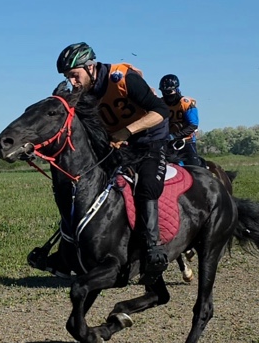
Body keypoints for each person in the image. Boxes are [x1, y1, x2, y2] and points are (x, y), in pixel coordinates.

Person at [56, 43, 172, 283]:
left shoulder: (122, 78)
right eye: (68, 78)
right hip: (119, 143)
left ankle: (153, 249)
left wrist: (127, 132)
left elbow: (161, 111)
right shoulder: (83, 92)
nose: (73, 82)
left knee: (147, 186)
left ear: (90, 67)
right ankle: (66, 250)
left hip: (151, 140)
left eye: (74, 75)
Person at [159, 74, 206, 168]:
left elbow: (193, 125)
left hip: (186, 141)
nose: (167, 95)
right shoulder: (160, 103)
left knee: (195, 168)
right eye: (164, 92)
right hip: (167, 142)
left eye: (169, 91)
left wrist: (174, 136)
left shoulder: (186, 103)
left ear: (176, 89)